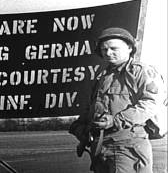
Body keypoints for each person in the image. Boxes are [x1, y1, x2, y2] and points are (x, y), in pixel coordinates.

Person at [69, 27, 164, 173]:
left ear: (129, 48)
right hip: (101, 147)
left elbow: (150, 104)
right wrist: (81, 125)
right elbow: (93, 106)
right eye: (104, 49)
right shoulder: (103, 76)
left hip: (128, 146)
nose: (108, 53)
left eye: (114, 48)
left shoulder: (141, 72)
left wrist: (116, 120)